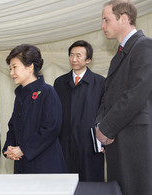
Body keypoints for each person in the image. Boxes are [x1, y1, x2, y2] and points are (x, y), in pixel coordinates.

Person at [95, 1, 152, 194]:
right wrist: (100, 128)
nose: (102, 26)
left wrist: (107, 128)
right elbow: (107, 97)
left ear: (124, 19)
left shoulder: (144, 46)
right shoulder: (118, 55)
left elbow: (136, 94)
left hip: (134, 141)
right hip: (116, 140)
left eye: (106, 20)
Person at [2, 44, 66, 173]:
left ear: (30, 67)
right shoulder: (20, 94)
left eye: (14, 68)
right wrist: (9, 148)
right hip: (23, 163)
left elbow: (51, 128)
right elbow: (14, 126)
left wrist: (23, 150)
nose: (11, 73)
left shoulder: (48, 92)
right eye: (10, 69)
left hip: (45, 164)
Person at [54, 40, 105, 182]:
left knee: (91, 183)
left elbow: (105, 112)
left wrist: (103, 141)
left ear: (88, 60)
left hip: (90, 144)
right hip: (65, 143)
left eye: (78, 55)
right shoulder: (59, 82)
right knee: (66, 184)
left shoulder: (100, 82)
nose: (74, 59)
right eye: (71, 55)